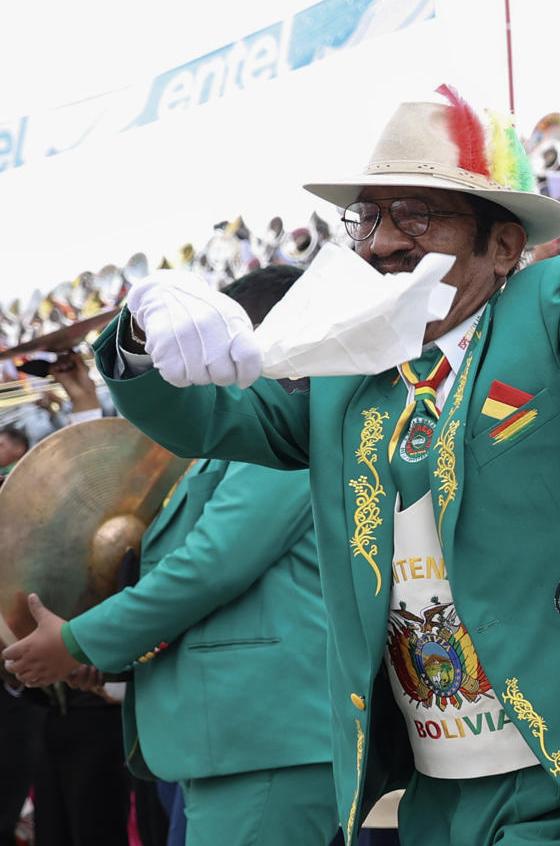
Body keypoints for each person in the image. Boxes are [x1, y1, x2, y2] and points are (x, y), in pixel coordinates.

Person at [86, 88, 560, 845]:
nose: (383, 241)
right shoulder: (348, 373)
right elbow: (213, 415)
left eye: (418, 214)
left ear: (504, 246)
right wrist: (143, 331)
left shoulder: (550, 309)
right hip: (439, 791)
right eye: (368, 217)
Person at [3, 265, 332, 845]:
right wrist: (107, 658)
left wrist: (77, 640)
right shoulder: (236, 435)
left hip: (261, 735)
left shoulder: (293, 424)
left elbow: (212, 565)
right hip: (224, 738)